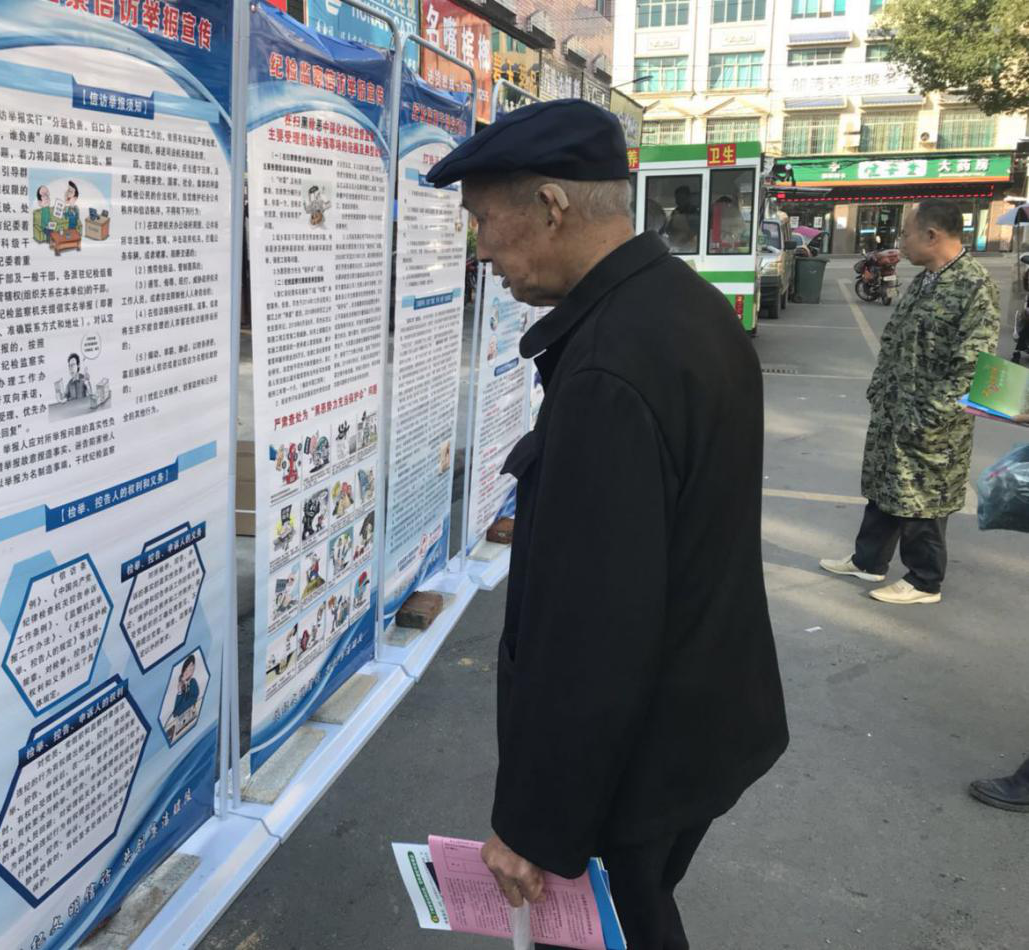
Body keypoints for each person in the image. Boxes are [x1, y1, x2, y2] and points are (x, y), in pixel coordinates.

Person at [426, 100, 788, 950]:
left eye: (483, 221)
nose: (481, 250)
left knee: (617, 926)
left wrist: (534, 824)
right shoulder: (682, 307)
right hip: (695, 723)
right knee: (638, 914)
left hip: (639, 754)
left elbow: (593, 628)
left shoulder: (609, 369)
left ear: (550, 206)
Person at [820, 200, 1000, 604]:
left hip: (931, 422)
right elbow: (897, 340)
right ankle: (869, 561)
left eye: (906, 233)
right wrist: (880, 391)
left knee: (924, 498)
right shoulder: (926, 280)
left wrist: (930, 416)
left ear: (931, 235)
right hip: (895, 410)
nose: (901, 241)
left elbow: (972, 365)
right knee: (885, 487)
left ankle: (924, 580)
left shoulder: (973, 285)